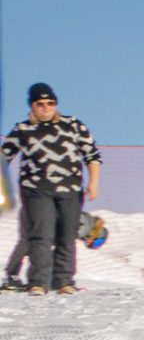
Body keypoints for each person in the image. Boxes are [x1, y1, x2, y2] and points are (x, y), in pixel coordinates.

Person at [3, 84, 100, 297]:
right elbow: (4, 156)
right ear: (32, 106)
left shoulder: (73, 125)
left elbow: (92, 155)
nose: (46, 107)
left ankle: (64, 281)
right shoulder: (23, 129)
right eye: (40, 104)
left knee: (67, 235)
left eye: (50, 103)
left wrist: (93, 183)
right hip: (36, 190)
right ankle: (38, 282)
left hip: (70, 190)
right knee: (41, 235)